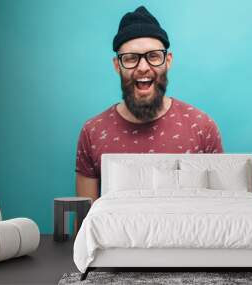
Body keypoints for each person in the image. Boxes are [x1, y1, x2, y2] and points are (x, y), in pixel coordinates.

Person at [75, 6, 224, 202]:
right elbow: (86, 225)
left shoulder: (202, 127)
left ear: (168, 60)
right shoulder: (92, 132)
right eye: (131, 59)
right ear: (117, 65)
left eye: (153, 56)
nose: (143, 67)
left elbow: (219, 215)